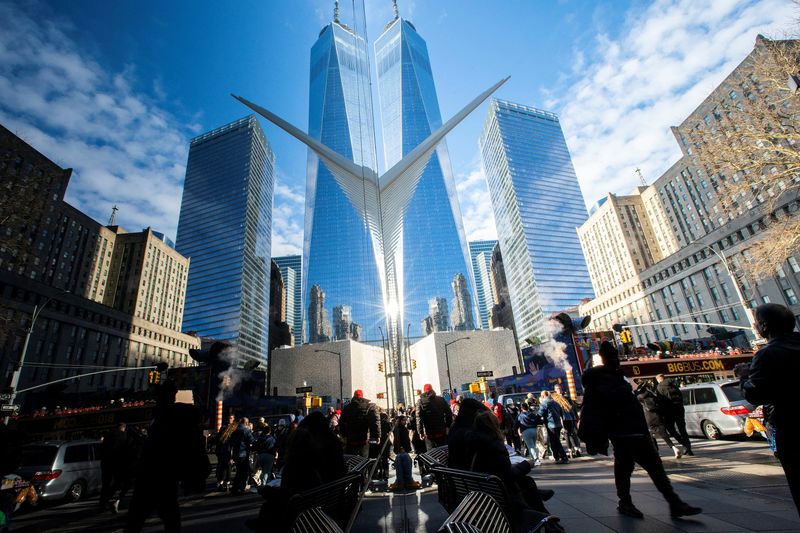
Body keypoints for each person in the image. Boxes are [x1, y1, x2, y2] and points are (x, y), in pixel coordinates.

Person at [580, 341, 701, 519]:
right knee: (636, 469)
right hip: (623, 433)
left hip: (636, 431)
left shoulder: (615, 377)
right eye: (613, 357)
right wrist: (595, 436)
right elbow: (592, 409)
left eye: (617, 357)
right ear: (606, 359)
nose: (617, 360)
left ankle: (670, 503)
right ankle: (636, 503)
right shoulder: (601, 381)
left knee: (645, 469)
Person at [448, 399, 559, 531]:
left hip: (471, 482)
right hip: (490, 488)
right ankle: (546, 519)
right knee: (526, 483)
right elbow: (506, 475)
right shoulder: (489, 444)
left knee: (526, 482)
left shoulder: (461, 432)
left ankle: (541, 507)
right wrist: (526, 465)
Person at [125, 381, 210, 533]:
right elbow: (194, 435)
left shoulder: (169, 415)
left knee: (141, 516)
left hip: (155, 472)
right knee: (167, 516)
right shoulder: (175, 413)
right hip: (163, 473)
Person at [741, 303, 800, 516]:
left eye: (756, 323)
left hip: (792, 428)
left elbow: (755, 394)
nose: (756, 326)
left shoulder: (767, 355)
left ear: (764, 327)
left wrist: (745, 376)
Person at [254, 412, 346, 532]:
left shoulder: (298, 464)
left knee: (269, 507)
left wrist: (266, 491)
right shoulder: (331, 445)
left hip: (306, 509)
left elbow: (288, 496)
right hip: (327, 498)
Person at [635, 383, 683, 458]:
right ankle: (674, 447)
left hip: (648, 418)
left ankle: (656, 452)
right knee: (664, 434)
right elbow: (660, 405)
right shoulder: (652, 395)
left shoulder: (639, 397)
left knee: (651, 435)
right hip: (658, 416)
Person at [655, 374, 693, 455]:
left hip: (669, 412)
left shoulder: (659, 387)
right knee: (682, 429)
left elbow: (661, 402)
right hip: (679, 410)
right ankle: (688, 447)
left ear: (658, 379)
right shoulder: (674, 385)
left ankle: (684, 444)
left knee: (670, 429)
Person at [338, 390, 379, 456]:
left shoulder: (347, 407)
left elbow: (341, 423)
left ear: (354, 396)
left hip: (351, 439)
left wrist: (343, 436)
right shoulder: (368, 407)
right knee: (363, 460)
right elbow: (375, 422)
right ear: (362, 397)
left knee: (351, 460)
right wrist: (376, 436)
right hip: (364, 439)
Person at [390, 415, 421, 491]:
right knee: (406, 461)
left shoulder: (400, 428)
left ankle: (401, 481)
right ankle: (407, 481)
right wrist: (401, 448)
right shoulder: (400, 428)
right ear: (400, 421)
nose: (405, 421)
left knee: (403, 462)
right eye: (404, 420)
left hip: (402, 449)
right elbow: (398, 439)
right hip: (402, 449)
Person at [416, 384, 453, 448]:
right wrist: (447, 426)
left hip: (428, 433)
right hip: (441, 431)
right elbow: (449, 413)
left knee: (431, 455)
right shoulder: (441, 399)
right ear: (432, 389)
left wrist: (420, 432)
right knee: (443, 452)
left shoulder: (420, 401)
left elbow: (419, 418)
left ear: (424, 391)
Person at [537, 391, 568, 464]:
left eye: (541, 396)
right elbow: (561, 413)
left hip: (551, 424)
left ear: (543, 396)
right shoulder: (555, 402)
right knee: (554, 441)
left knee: (555, 441)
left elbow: (539, 414)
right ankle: (557, 457)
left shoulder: (544, 403)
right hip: (558, 424)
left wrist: (536, 420)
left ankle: (563, 457)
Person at [553, 385, 581, 458]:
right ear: (555, 390)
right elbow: (571, 408)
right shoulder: (562, 398)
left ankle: (572, 449)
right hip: (568, 418)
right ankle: (574, 449)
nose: (559, 390)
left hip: (565, 419)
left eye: (559, 388)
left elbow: (571, 408)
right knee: (570, 434)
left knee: (568, 434)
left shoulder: (558, 398)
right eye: (558, 389)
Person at [228, 417, 255, 494]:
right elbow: (252, 440)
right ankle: (241, 488)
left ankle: (235, 488)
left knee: (239, 471)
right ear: (246, 423)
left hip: (236, 454)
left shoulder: (235, 430)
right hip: (243, 454)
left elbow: (231, 442)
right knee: (244, 472)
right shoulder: (245, 430)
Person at [215, 415, 237, 490]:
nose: (229, 419)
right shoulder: (223, 427)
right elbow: (218, 439)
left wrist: (233, 454)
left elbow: (234, 442)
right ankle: (221, 481)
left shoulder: (234, 428)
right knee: (222, 467)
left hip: (229, 450)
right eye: (228, 418)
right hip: (222, 450)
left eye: (231, 418)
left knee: (228, 467)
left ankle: (226, 481)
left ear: (233, 419)